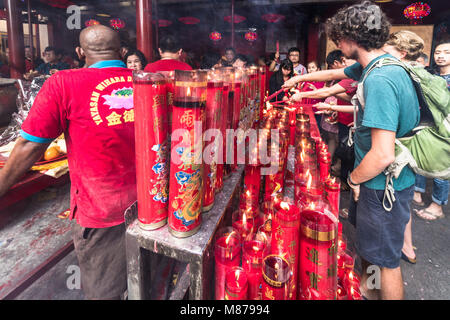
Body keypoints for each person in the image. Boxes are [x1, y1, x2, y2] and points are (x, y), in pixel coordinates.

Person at [0, 25, 136, 300]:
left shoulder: (63, 82)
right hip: (153, 203)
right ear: (122, 51)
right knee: (148, 277)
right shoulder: (145, 79)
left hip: (103, 211)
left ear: (79, 52)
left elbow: (29, 144)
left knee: (104, 291)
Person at [327, 1, 420, 300]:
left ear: (350, 37)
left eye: (339, 39)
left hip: (383, 187)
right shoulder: (381, 65)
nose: (338, 45)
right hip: (379, 184)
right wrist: (301, 81)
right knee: (370, 251)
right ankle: (367, 291)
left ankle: (378, 292)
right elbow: (336, 76)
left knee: (387, 262)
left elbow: (382, 154)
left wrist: (353, 179)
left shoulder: (380, 79)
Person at [413, 40, 450, 221]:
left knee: (441, 167)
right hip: (428, 124)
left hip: (446, 128)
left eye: (446, 52)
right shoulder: (432, 75)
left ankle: (437, 205)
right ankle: (417, 194)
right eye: (437, 52)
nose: (441, 56)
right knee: (422, 158)